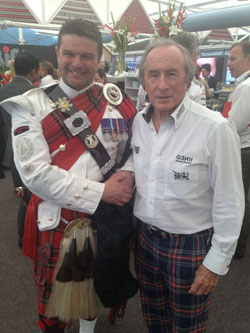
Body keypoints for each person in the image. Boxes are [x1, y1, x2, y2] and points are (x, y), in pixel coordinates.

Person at [1, 19, 137, 333]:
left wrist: (127, 176)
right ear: (58, 52)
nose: (77, 63)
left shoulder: (116, 101)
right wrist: (103, 192)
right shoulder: (30, 106)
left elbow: (136, 149)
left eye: (87, 56)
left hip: (108, 218)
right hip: (58, 220)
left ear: (99, 59)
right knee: (53, 303)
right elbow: (35, 174)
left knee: (95, 289)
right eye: (70, 54)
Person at [131, 38, 244, 333]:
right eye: (153, 75)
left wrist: (215, 262)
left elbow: (230, 200)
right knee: (153, 321)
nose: (162, 84)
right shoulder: (138, 123)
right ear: (144, 79)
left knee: (188, 328)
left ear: (188, 79)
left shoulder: (215, 128)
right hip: (144, 241)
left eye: (172, 74)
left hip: (190, 246)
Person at [0, 51, 40, 246]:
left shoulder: (3, 90)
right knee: (34, 195)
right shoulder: (34, 95)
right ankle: (32, 235)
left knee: (22, 195)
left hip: (12, 152)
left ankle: (23, 237)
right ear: (34, 72)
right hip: (35, 153)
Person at [226, 41, 250, 259]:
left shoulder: (245, 87)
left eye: (233, 59)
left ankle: (236, 248)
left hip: (242, 149)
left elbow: (233, 125)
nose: (229, 64)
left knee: (238, 198)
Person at [172, 31, 206, 106]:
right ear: (192, 54)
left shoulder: (154, 80)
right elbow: (201, 115)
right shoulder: (197, 87)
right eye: (197, 54)